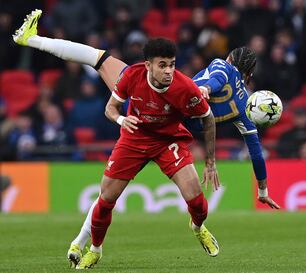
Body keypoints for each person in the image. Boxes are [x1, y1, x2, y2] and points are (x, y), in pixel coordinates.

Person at [13, 9, 280, 268]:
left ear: (232, 59)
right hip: (151, 119)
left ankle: (32, 39)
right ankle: (82, 244)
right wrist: (263, 191)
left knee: (97, 58)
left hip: (165, 125)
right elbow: (255, 150)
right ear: (250, 75)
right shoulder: (245, 110)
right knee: (109, 194)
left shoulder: (219, 69)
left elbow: (216, 76)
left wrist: (203, 89)